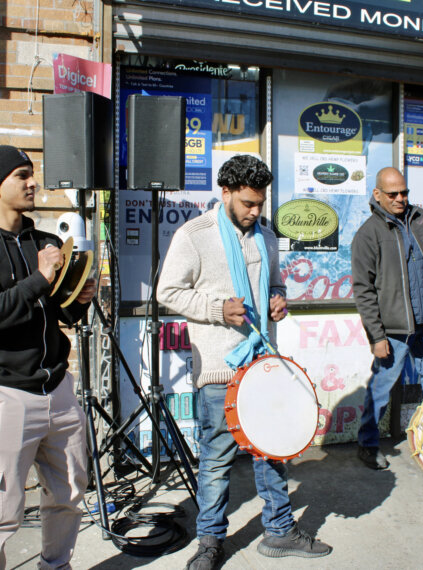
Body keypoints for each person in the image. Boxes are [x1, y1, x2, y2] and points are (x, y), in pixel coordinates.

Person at [157, 155, 332, 569]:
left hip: (263, 365)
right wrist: (220, 309)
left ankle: (279, 532)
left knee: (272, 451)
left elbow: (274, 280)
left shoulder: (266, 236)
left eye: (261, 203)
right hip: (219, 368)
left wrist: (278, 298)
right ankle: (211, 543)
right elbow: (169, 292)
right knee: (216, 460)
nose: (255, 212)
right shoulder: (194, 234)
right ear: (226, 193)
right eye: (248, 203)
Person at [0, 145, 96, 569]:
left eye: (32, 173)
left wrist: (80, 299)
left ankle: (56, 564)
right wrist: (39, 278)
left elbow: (59, 313)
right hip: (4, 396)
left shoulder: (45, 242)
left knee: (68, 496)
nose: (33, 183)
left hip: (58, 391)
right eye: (22, 175)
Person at [351, 166, 423, 469]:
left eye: (404, 192)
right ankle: (368, 444)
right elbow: (363, 291)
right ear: (377, 194)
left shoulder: (421, 219)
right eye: (393, 194)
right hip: (394, 329)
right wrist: (376, 336)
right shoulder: (368, 235)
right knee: (381, 388)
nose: (400, 198)